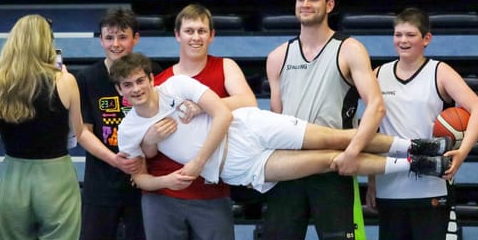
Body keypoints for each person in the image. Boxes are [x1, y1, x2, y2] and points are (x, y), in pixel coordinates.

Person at [112, 52, 452, 191]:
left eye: (141, 81)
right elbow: (138, 178)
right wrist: (167, 180)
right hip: (237, 164)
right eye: (128, 85)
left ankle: (415, 145)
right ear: (120, 90)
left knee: (334, 138)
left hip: (246, 126)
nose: (136, 89)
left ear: (151, 78)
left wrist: (198, 161)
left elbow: (223, 114)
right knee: (330, 161)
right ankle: (415, 164)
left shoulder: (177, 85)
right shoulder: (129, 128)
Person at [0, 14, 124, 240]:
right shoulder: (65, 81)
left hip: (14, 176)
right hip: (55, 176)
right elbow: (75, 132)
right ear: (48, 43)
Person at [262, 0, 382, 240]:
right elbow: (275, 119)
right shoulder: (278, 56)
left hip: (333, 166)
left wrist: (353, 152)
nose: (305, 4)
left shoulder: (349, 49)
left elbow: (376, 106)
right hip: (289, 168)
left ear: (329, 4)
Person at [366, 8, 478, 240]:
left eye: (410, 35)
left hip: (432, 186)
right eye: (398, 35)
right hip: (390, 184)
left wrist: (462, 151)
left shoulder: (439, 71)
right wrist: (370, 181)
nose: (403, 41)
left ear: (427, 39)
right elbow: (368, 130)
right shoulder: (378, 74)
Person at [139, 4, 258, 240]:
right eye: (189, 31)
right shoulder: (160, 82)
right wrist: (150, 140)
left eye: (202, 31)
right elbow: (145, 144)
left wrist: (205, 105)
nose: (196, 37)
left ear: (212, 35)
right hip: (166, 188)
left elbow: (248, 102)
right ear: (177, 35)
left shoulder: (224, 67)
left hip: (211, 185)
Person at [75, 8, 154, 240]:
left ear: (136, 38)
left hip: (143, 178)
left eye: (123, 36)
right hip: (102, 179)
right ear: (101, 40)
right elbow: (83, 132)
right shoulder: (87, 79)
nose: (116, 44)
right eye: (109, 37)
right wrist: (113, 159)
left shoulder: (150, 72)